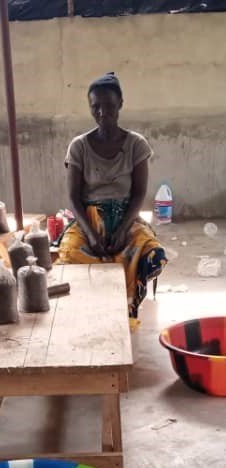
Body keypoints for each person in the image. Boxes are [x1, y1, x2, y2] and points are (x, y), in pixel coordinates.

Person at [58, 73, 167, 323]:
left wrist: (122, 230)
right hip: (89, 218)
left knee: (151, 253)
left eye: (108, 105)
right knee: (70, 254)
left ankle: (124, 311)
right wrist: (92, 234)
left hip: (127, 217)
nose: (102, 112)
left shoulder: (136, 145)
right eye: (95, 106)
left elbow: (139, 192)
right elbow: (74, 197)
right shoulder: (79, 146)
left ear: (120, 104)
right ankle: (90, 311)